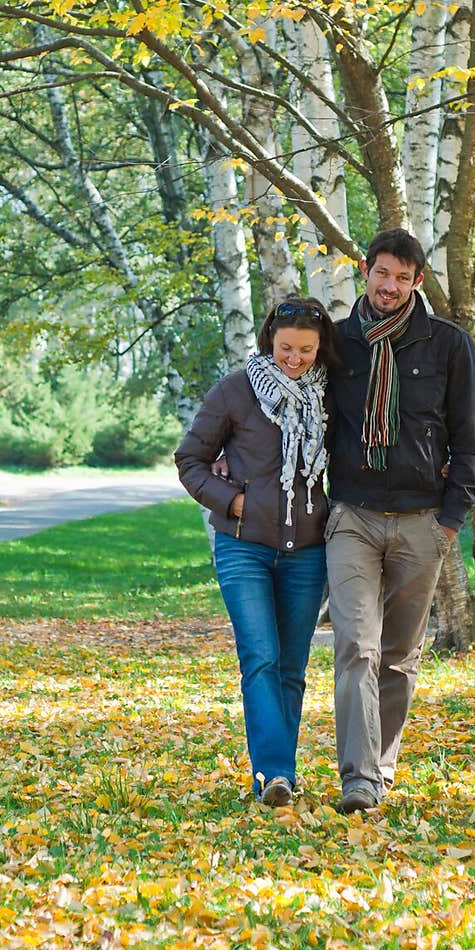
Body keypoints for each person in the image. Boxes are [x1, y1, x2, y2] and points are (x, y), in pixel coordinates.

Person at [326, 228, 475, 812]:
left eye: (402, 277)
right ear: (365, 271)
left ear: (417, 282)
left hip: (422, 522)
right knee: (356, 647)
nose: (389, 286)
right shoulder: (337, 342)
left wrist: (449, 523)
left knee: (397, 656)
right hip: (353, 517)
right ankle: (359, 780)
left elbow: (470, 441)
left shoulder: (449, 345)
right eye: (381, 273)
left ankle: (380, 766)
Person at [174, 297, 341, 806]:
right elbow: (190, 460)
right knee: (261, 658)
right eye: (286, 347)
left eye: (306, 350)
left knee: (291, 665)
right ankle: (274, 771)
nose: (295, 359)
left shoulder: (334, 394)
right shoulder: (237, 389)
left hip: (306, 550)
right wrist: (236, 501)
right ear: (270, 339)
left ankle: (279, 775)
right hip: (243, 547)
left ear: (320, 347)